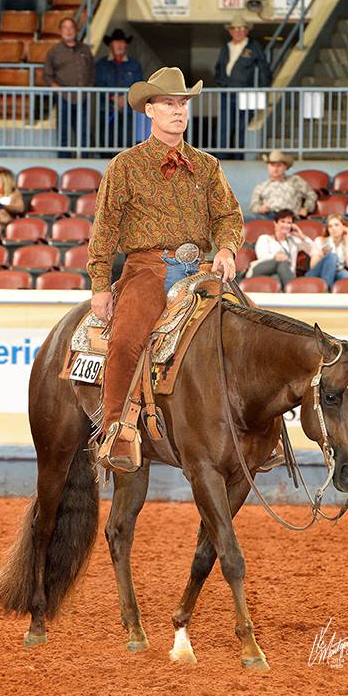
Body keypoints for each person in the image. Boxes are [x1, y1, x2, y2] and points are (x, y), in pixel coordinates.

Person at [87, 67, 243, 472]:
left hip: (202, 270)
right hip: (147, 267)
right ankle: (116, 431)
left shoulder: (207, 166)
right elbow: (105, 228)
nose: (178, 111)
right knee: (126, 341)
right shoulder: (126, 166)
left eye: (183, 104)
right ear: (150, 110)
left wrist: (226, 249)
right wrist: (101, 285)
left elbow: (228, 215)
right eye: (170, 104)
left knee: (249, 329)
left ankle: (259, 433)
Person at [214, 15, 271, 158]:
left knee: (242, 127)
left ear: (246, 30)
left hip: (247, 93)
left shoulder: (254, 46)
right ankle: (221, 157)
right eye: (235, 28)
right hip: (227, 92)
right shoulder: (226, 47)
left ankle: (239, 156)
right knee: (224, 126)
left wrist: (264, 90)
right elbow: (219, 68)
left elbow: (264, 69)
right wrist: (221, 83)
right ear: (230, 31)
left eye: (242, 28)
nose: (238, 31)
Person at [44, 18, 95, 158]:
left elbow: (91, 71)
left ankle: (85, 160)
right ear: (60, 31)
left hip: (83, 97)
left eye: (71, 27)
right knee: (64, 132)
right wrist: (56, 87)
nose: (68, 31)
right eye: (65, 28)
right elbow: (47, 74)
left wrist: (88, 88)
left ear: (76, 30)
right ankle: (64, 160)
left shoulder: (85, 49)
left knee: (84, 131)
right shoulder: (54, 51)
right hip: (64, 98)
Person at [94, 28, 143, 151]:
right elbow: (98, 84)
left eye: (122, 42)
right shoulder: (101, 64)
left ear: (126, 44)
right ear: (110, 44)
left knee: (126, 144)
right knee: (106, 142)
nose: (119, 45)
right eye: (116, 42)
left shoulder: (134, 65)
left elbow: (138, 85)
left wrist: (125, 98)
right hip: (106, 110)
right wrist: (113, 97)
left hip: (128, 111)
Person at [245, 209, 314, 289]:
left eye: (289, 223)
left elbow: (312, 249)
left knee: (276, 278)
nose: (286, 225)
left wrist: (301, 236)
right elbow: (262, 257)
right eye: (283, 221)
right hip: (260, 270)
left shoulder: (293, 241)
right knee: (281, 262)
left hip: (282, 275)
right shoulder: (265, 238)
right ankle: (294, 291)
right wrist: (275, 256)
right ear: (275, 223)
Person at [248, 150, 317, 221]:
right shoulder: (261, 186)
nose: (275, 169)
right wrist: (260, 208)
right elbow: (253, 206)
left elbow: (312, 195)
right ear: (268, 167)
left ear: (285, 167)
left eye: (279, 165)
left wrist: (306, 208)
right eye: (272, 165)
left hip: (289, 217)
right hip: (268, 217)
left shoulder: (295, 181)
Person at [306, 214, 348, 289]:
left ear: (344, 227)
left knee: (345, 275)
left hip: (336, 272)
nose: (333, 228)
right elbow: (312, 266)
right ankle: (326, 292)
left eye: (336, 225)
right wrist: (322, 253)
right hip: (316, 273)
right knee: (332, 256)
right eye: (330, 226)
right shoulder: (320, 241)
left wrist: (346, 240)